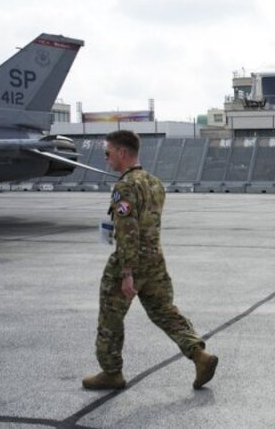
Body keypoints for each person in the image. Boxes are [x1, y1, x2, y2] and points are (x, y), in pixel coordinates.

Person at [82, 130, 218, 391]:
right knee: (164, 312)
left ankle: (111, 373)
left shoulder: (125, 186)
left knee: (110, 318)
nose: (106, 158)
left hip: (130, 262)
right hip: (155, 260)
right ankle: (200, 356)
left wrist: (127, 272)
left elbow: (128, 230)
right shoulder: (154, 182)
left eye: (108, 153)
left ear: (122, 153)